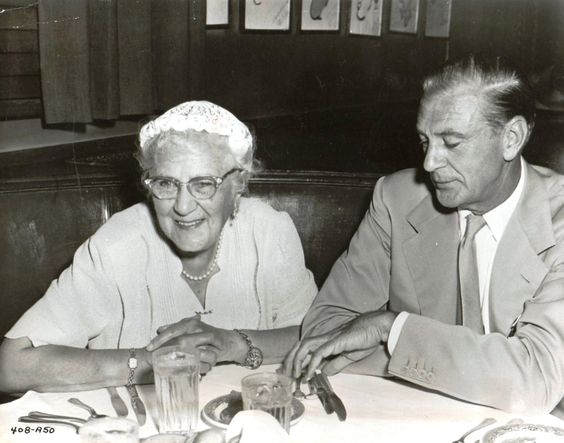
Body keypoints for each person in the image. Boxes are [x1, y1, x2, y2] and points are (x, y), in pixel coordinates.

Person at [284, 54, 564, 415]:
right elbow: (325, 329)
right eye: (424, 141)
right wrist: (483, 370)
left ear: (511, 138)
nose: (429, 163)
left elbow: (536, 381)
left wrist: (393, 329)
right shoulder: (396, 198)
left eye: (452, 142)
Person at [0, 100, 317, 393]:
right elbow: (11, 366)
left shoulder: (270, 231)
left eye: (203, 184)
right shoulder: (115, 247)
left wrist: (233, 344)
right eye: (166, 183)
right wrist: (149, 362)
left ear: (239, 185)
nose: (182, 206)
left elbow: (316, 335)